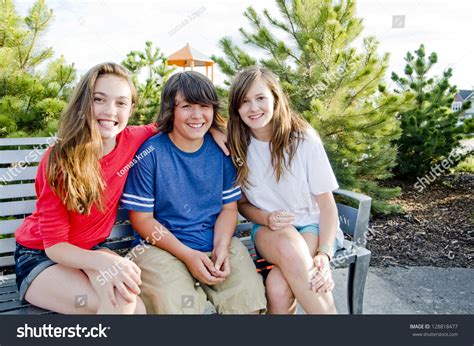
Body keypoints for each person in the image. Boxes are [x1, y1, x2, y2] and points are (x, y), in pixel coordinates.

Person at [14, 62, 228, 314]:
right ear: (84, 103)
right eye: (99, 99)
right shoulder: (60, 159)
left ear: (131, 109)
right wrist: (103, 261)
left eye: (121, 103)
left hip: (91, 252)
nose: (110, 111)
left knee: (132, 306)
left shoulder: (132, 139)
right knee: (118, 307)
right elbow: (55, 246)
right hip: (42, 256)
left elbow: (180, 122)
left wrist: (216, 128)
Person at [121, 71, 267, 314]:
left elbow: (228, 209)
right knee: (178, 307)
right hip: (161, 248)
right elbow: (141, 219)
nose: (197, 115)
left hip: (215, 240)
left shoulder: (221, 151)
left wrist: (221, 246)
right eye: (187, 106)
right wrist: (188, 256)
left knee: (247, 301)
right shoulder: (151, 154)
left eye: (204, 106)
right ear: (171, 110)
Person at [227, 66, 344, 314]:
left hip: (311, 226)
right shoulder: (238, 143)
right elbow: (243, 204)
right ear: (237, 108)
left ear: (275, 99)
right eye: (245, 101)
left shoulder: (303, 140)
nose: (253, 108)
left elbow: (327, 206)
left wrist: (324, 254)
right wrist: (267, 217)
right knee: (290, 243)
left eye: (260, 98)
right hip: (269, 230)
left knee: (278, 288)